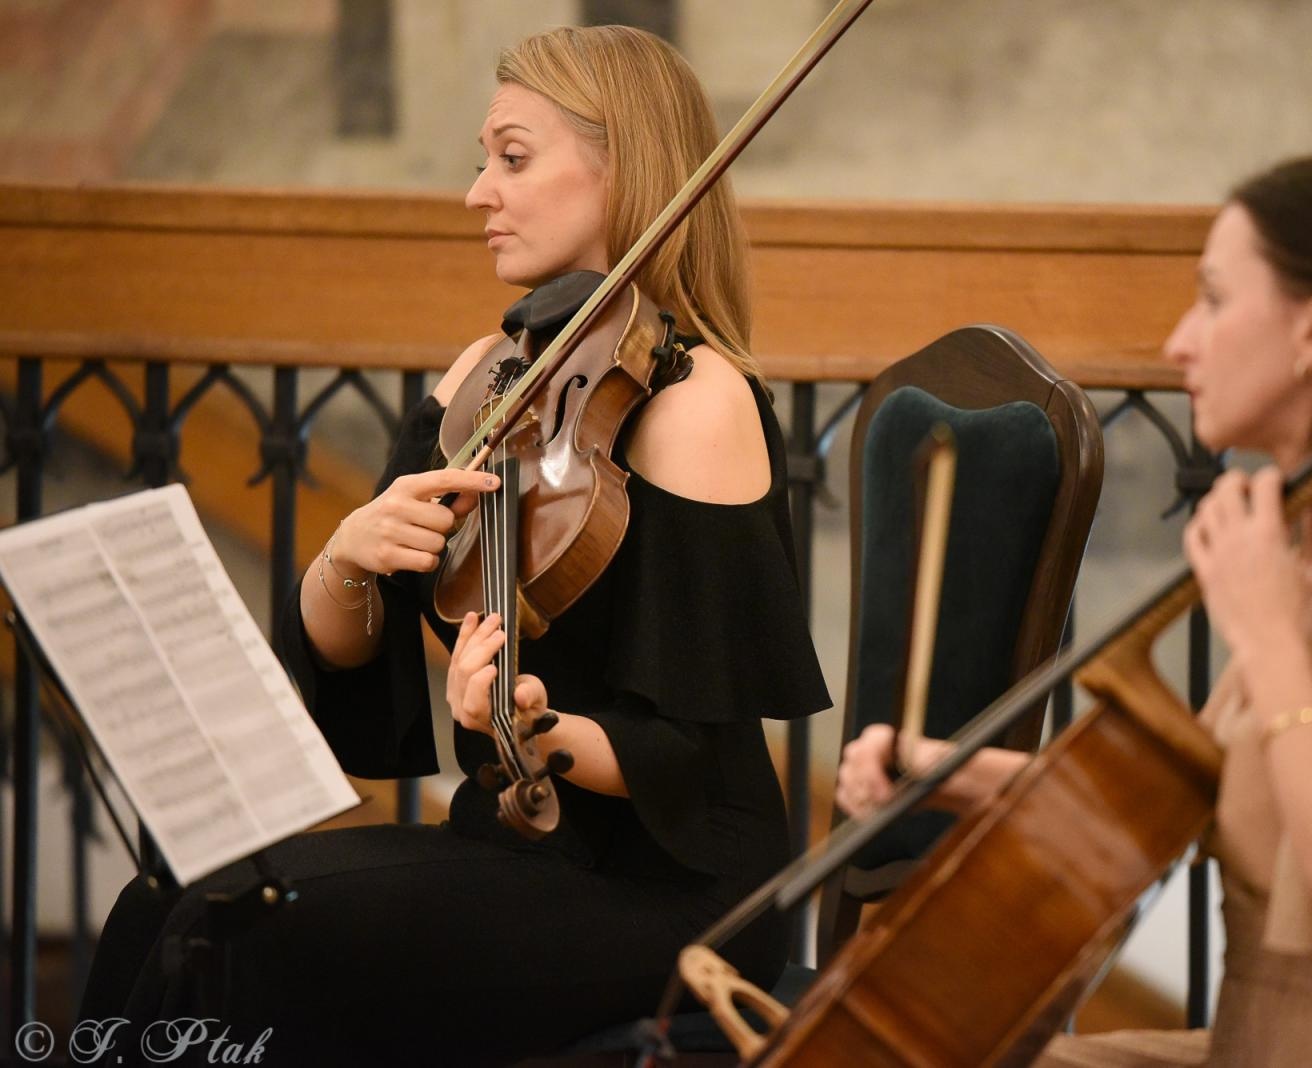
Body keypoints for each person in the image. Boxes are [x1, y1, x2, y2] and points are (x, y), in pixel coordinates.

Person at [80, 24, 829, 1065]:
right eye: (483, 159)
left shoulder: (699, 402)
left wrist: (533, 725)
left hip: (663, 887)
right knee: (157, 903)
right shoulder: (490, 372)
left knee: (253, 943)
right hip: (509, 845)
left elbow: (690, 764)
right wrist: (347, 557)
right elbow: (359, 645)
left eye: (512, 158)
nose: (479, 191)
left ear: (627, 171)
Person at [837, 152, 1312, 1067]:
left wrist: (1267, 638)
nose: (1181, 340)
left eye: (1216, 299)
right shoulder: (1309, 570)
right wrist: (934, 769)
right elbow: (1177, 794)